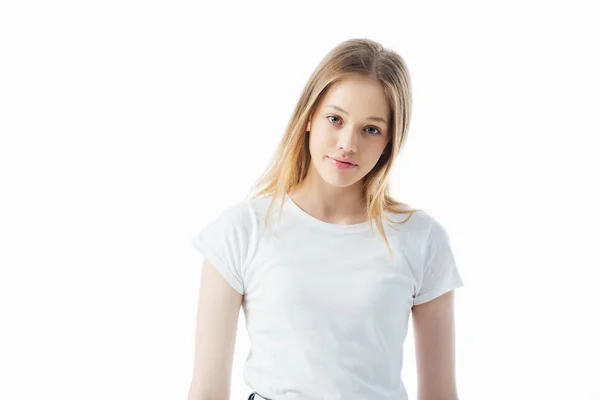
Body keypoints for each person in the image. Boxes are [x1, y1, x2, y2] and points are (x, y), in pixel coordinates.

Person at [187, 38, 464, 400]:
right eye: (335, 119)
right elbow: (207, 391)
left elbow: (441, 394)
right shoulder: (241, 231)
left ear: (389, 143)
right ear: (308, 118)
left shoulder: (422, 239)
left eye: (371, 129)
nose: (347, 143)